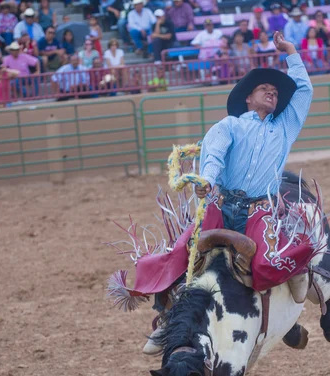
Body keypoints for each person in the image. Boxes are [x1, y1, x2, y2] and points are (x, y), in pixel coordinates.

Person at [133, 31, 318, 354]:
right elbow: (214, 154)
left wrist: (291, 54)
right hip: (221, 203)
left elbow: (304, 90)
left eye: (276, 92)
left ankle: (288, 306)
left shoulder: (284, 127)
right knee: (185, 251)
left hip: (261, 208)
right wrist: (207, 178)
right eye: (266, 89)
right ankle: (165, 318)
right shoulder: (229, 126)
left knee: (271, 259)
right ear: (249, 96)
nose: (273, 94)